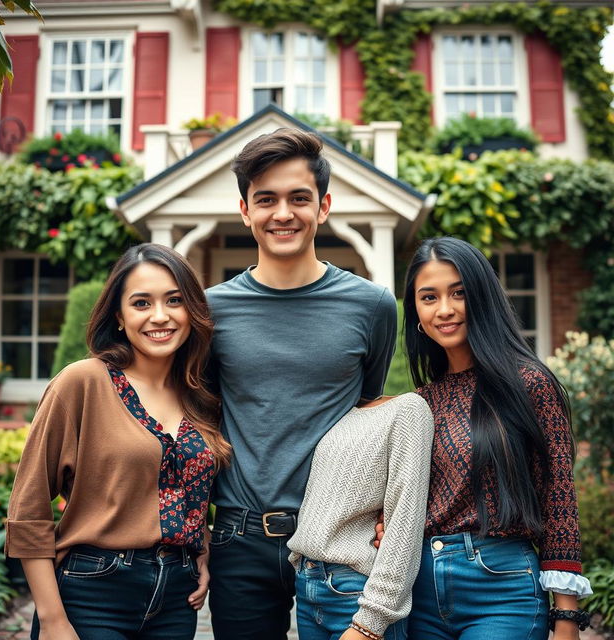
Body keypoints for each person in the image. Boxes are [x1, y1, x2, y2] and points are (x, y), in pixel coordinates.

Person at [205, 128, 398, 639]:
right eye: (265, 199)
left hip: (340, 534)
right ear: (245, 210)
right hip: (239, 534)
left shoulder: (373, 305)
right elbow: (197, 415)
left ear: (324, 205)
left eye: (298, 198)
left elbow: (368, 410)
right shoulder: (210, 309)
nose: (282, 213)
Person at [5, 243, 231, 640]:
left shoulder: (201, 395)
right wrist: (54, 620)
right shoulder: (83, 382)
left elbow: (185, 487)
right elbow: (29, 508)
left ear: (191, 311)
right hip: (92, 592)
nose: (160, 316)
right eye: (141, 303)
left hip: (177, 598)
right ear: (120, 317)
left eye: (174, 300)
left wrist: (203, 545)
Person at [401, 236, 592, 640]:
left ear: (482, 297)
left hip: (502, 589)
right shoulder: (419, 402)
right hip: (419, 591)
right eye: (429, 297)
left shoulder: (529, 383)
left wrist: (567, 618)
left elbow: (559, 500)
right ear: (416, 311)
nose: (445, 309)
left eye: (459, 293)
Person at [287, 389, 433, 640]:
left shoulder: (408, 408)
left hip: (356, 595)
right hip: (308, 587)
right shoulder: (337, 415)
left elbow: (405, 520)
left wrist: (370, 622)